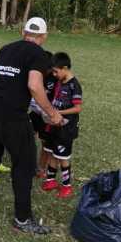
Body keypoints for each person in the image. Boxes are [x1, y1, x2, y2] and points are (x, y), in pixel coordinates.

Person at [0, 17, 63, 234]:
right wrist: (52, 113)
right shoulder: (38, 54)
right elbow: (34, 85)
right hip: (12, 115)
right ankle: (22, 219)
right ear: (44, 37)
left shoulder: (6, 48)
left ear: (23, 32)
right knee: (25, 164)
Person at [41, 52, 83, 198]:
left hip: (66, 128)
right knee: (53, 153)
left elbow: (77, 108)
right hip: (54, 124)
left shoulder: (74, 85)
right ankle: (51, 180)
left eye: (56, 71)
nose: (54, 74)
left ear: (65, 68)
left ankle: (66, 186)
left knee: (63, 157)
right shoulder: (59, 81)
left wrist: (58, 112)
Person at [29, 51, 56, 178]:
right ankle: (28, 164)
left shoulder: (55, 79)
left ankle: (41, 168)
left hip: (46, 115)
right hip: (34, 112)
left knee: (45, 142)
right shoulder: (35, 74)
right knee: (27, 138)